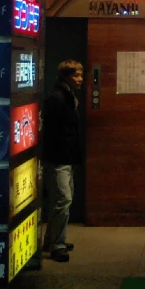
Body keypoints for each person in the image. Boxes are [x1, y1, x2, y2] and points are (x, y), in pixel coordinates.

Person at [42, 60, 83, 263]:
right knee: (62, 200)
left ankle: (52, 239)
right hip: (58, 158)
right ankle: (56, 245)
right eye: (76, 75)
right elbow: (53, 132)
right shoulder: (57, 99)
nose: (80, 79)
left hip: (66, 157)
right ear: (66, 76)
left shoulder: (67, 97)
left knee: (62, 200)